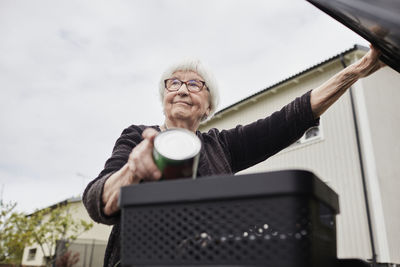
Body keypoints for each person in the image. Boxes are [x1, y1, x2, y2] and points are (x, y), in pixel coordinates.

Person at [83, 45, 384, 267]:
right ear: (163, 97)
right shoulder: (138, 138)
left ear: (208, 106)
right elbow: (98, 201)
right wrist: (131, 172)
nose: (182, 90)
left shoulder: (221, 146)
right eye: (173, 83)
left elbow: (289, 119)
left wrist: (355, 70)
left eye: (194, 84)